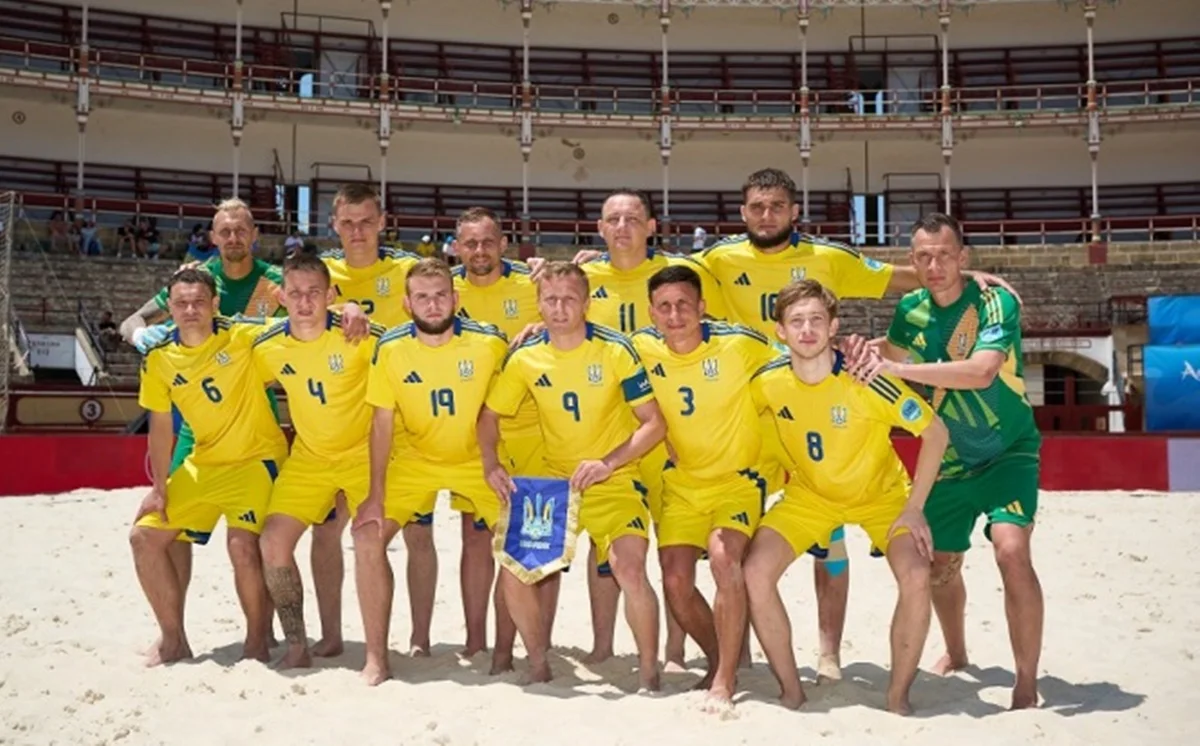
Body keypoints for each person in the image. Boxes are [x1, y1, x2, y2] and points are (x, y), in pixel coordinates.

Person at [691, 167, 1018, 679]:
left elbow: (897, 275)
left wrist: (959, 276)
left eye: (777, 205)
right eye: (757, 206)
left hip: (821, 401)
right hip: (759, 411)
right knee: (739, 542)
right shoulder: (717, 257)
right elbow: (661, 276)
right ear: (742, 212)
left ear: (795, 211)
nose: (767, 215)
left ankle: (828, 651)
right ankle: (736, 651)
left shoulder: (828, 257)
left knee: (830, 540)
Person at [846, 213, 1044, 710]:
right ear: (912, 262)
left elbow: (981, 372)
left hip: (1007, 450)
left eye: (944, 255)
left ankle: (1025, 681)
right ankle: (956, 654)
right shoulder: (910, 308)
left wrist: (898, 366)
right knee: (939, 565)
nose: (934, 265)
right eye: (924, 257)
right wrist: (842, 349)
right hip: (949, 460)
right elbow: (886, 351)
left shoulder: (994, 301)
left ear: (964, 258)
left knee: (1011, 550)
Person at [530, 188, 724, 667]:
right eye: (612, 219)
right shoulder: (587, 275)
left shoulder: (680, 277)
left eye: (633, 219)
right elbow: (551, 306)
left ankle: (677, 646)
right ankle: (603, 643)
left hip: (671, 430)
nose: (622, 227)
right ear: (599, 228)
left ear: (651, 227)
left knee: (673, 544)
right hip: (612, 434)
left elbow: (710, 329)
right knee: (608, 546)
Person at [743, 278, 948, 714]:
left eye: (817, 318)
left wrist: (914, 510)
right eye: (795, 321)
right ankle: (791, 692)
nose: (807, 329)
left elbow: (935, 432)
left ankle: (897, 697)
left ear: (834, 326)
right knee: (756, 572)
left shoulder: (866, 378)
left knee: (915, 576)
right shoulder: (767, 383)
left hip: (883, 497)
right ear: (780, 330)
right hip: (811, 497)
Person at [478, 261, 667, 688]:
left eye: (569, 299)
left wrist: (609, 462)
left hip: (612, 479)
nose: (560, 307)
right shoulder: (526, 357)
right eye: (550, 299)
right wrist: (491, 463)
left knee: (629, 567)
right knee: (513, 569)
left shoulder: (616, 349)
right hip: (554, 484)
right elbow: (489, 417)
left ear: (586, 302)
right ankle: (538, 660)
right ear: (539, 303)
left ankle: (650, 672)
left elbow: (654, 423)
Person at [354, 258, 510, 685]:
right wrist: (375, 492)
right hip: (417, 461)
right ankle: (376, 658)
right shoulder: (390, 347)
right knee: (367, 534)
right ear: (407, 304)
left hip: (475, 460)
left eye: (441, 295)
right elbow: (381, 423)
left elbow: (504, 403)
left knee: (521, 545)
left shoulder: (489, 343)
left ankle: (505, 652)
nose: (433, 304)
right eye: (422, 297)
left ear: (456, 298)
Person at [630, 265, 777, 708]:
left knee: (723, 559)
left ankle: (725, 681)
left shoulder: (740, 344)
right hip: (682, 483)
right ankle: (718, 657)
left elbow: (799, 354)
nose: (675, 315)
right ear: (652, 313)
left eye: (683, 305)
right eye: (665, 307)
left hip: (738, 481)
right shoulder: (641, 347)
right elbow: (590, 345)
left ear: (702, 308)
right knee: (675, 580)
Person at [129, 268, 286, 667]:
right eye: (181, 303)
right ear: (171, 310)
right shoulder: (161, 355)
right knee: (143, 538)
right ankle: (173, 639)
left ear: (215, 304)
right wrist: (159, 487)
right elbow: (161, 425)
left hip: (256, 459)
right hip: (204, 461)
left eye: (199, 301)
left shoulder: (242, 335)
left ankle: (256, 642)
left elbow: (299, 325)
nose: (191, 310)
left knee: (241, 546)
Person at [252, 253, 385, 669]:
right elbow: (223, 338)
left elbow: (410, 350)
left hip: (364, 455)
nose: (305, 302)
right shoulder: (267, 346)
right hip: (309, 458)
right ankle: (298, 646)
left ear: (330, 294)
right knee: (272, 541)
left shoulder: (360, 335)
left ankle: (377, 656)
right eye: (295, 293)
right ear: (281, 296)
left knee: (368, 540)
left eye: (314, 293)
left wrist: (354, 309)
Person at [449, 207, 552, 672]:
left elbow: (571, 301)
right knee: (475, 540)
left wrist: (545, 325)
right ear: (456, 246)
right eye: (469, 243)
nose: (479, 251)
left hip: (532, 432)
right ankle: (475, 640)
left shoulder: (532, 284)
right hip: (475, 432)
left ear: (504, 243)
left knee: (522, 546)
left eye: (487, 241)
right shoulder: (444, 290)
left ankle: (509, 648)